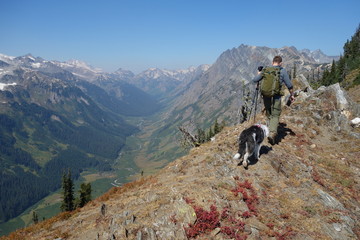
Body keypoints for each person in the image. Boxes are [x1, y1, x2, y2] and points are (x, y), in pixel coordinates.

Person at [252, 56, 294, 145]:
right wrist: (292, 95)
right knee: (276, 113)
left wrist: (259, 73)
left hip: (266, 94)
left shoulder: (266, 70)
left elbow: (255, 80)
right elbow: (289, 85)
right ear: (280, 63)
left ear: (272, 62)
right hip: (277, 95)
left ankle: (269, 128)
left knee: (268, 110)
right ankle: (272, 132)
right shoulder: (282, 71)